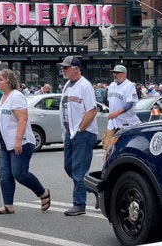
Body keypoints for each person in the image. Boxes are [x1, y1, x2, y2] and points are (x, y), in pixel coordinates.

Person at [0, 68, 51, 215]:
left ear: (9, 80)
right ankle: (8, 205)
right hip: (5, 144)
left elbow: (22, 119)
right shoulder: (4, 97)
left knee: (20, 174)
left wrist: (18, 140)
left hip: (21, 142)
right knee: (5, 175)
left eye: (1, 79)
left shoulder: (16, 96)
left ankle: (43, 193)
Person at [57, 55, 98, 216]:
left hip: (83, 133)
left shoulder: (85, 85)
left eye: (66, 67)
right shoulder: (68, 84)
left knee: (79, 170)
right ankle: (94, 187)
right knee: (69, 167)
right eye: (62, 67)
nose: (63, 70)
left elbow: (92, 110)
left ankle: (79, 204)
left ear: (76, 69)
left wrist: (81, 129)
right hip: (70, 133)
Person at [104, 65, 140, 160]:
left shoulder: (129, 85)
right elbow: (108, 101)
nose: (114, 75)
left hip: (127, 124)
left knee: (127, 151)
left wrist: (116, 113)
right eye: (114, 73)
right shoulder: (112, 85)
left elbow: (130, 104)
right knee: (107, 149)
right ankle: (105, 173)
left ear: (124, 74)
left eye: (117, 73)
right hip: (112, 124)